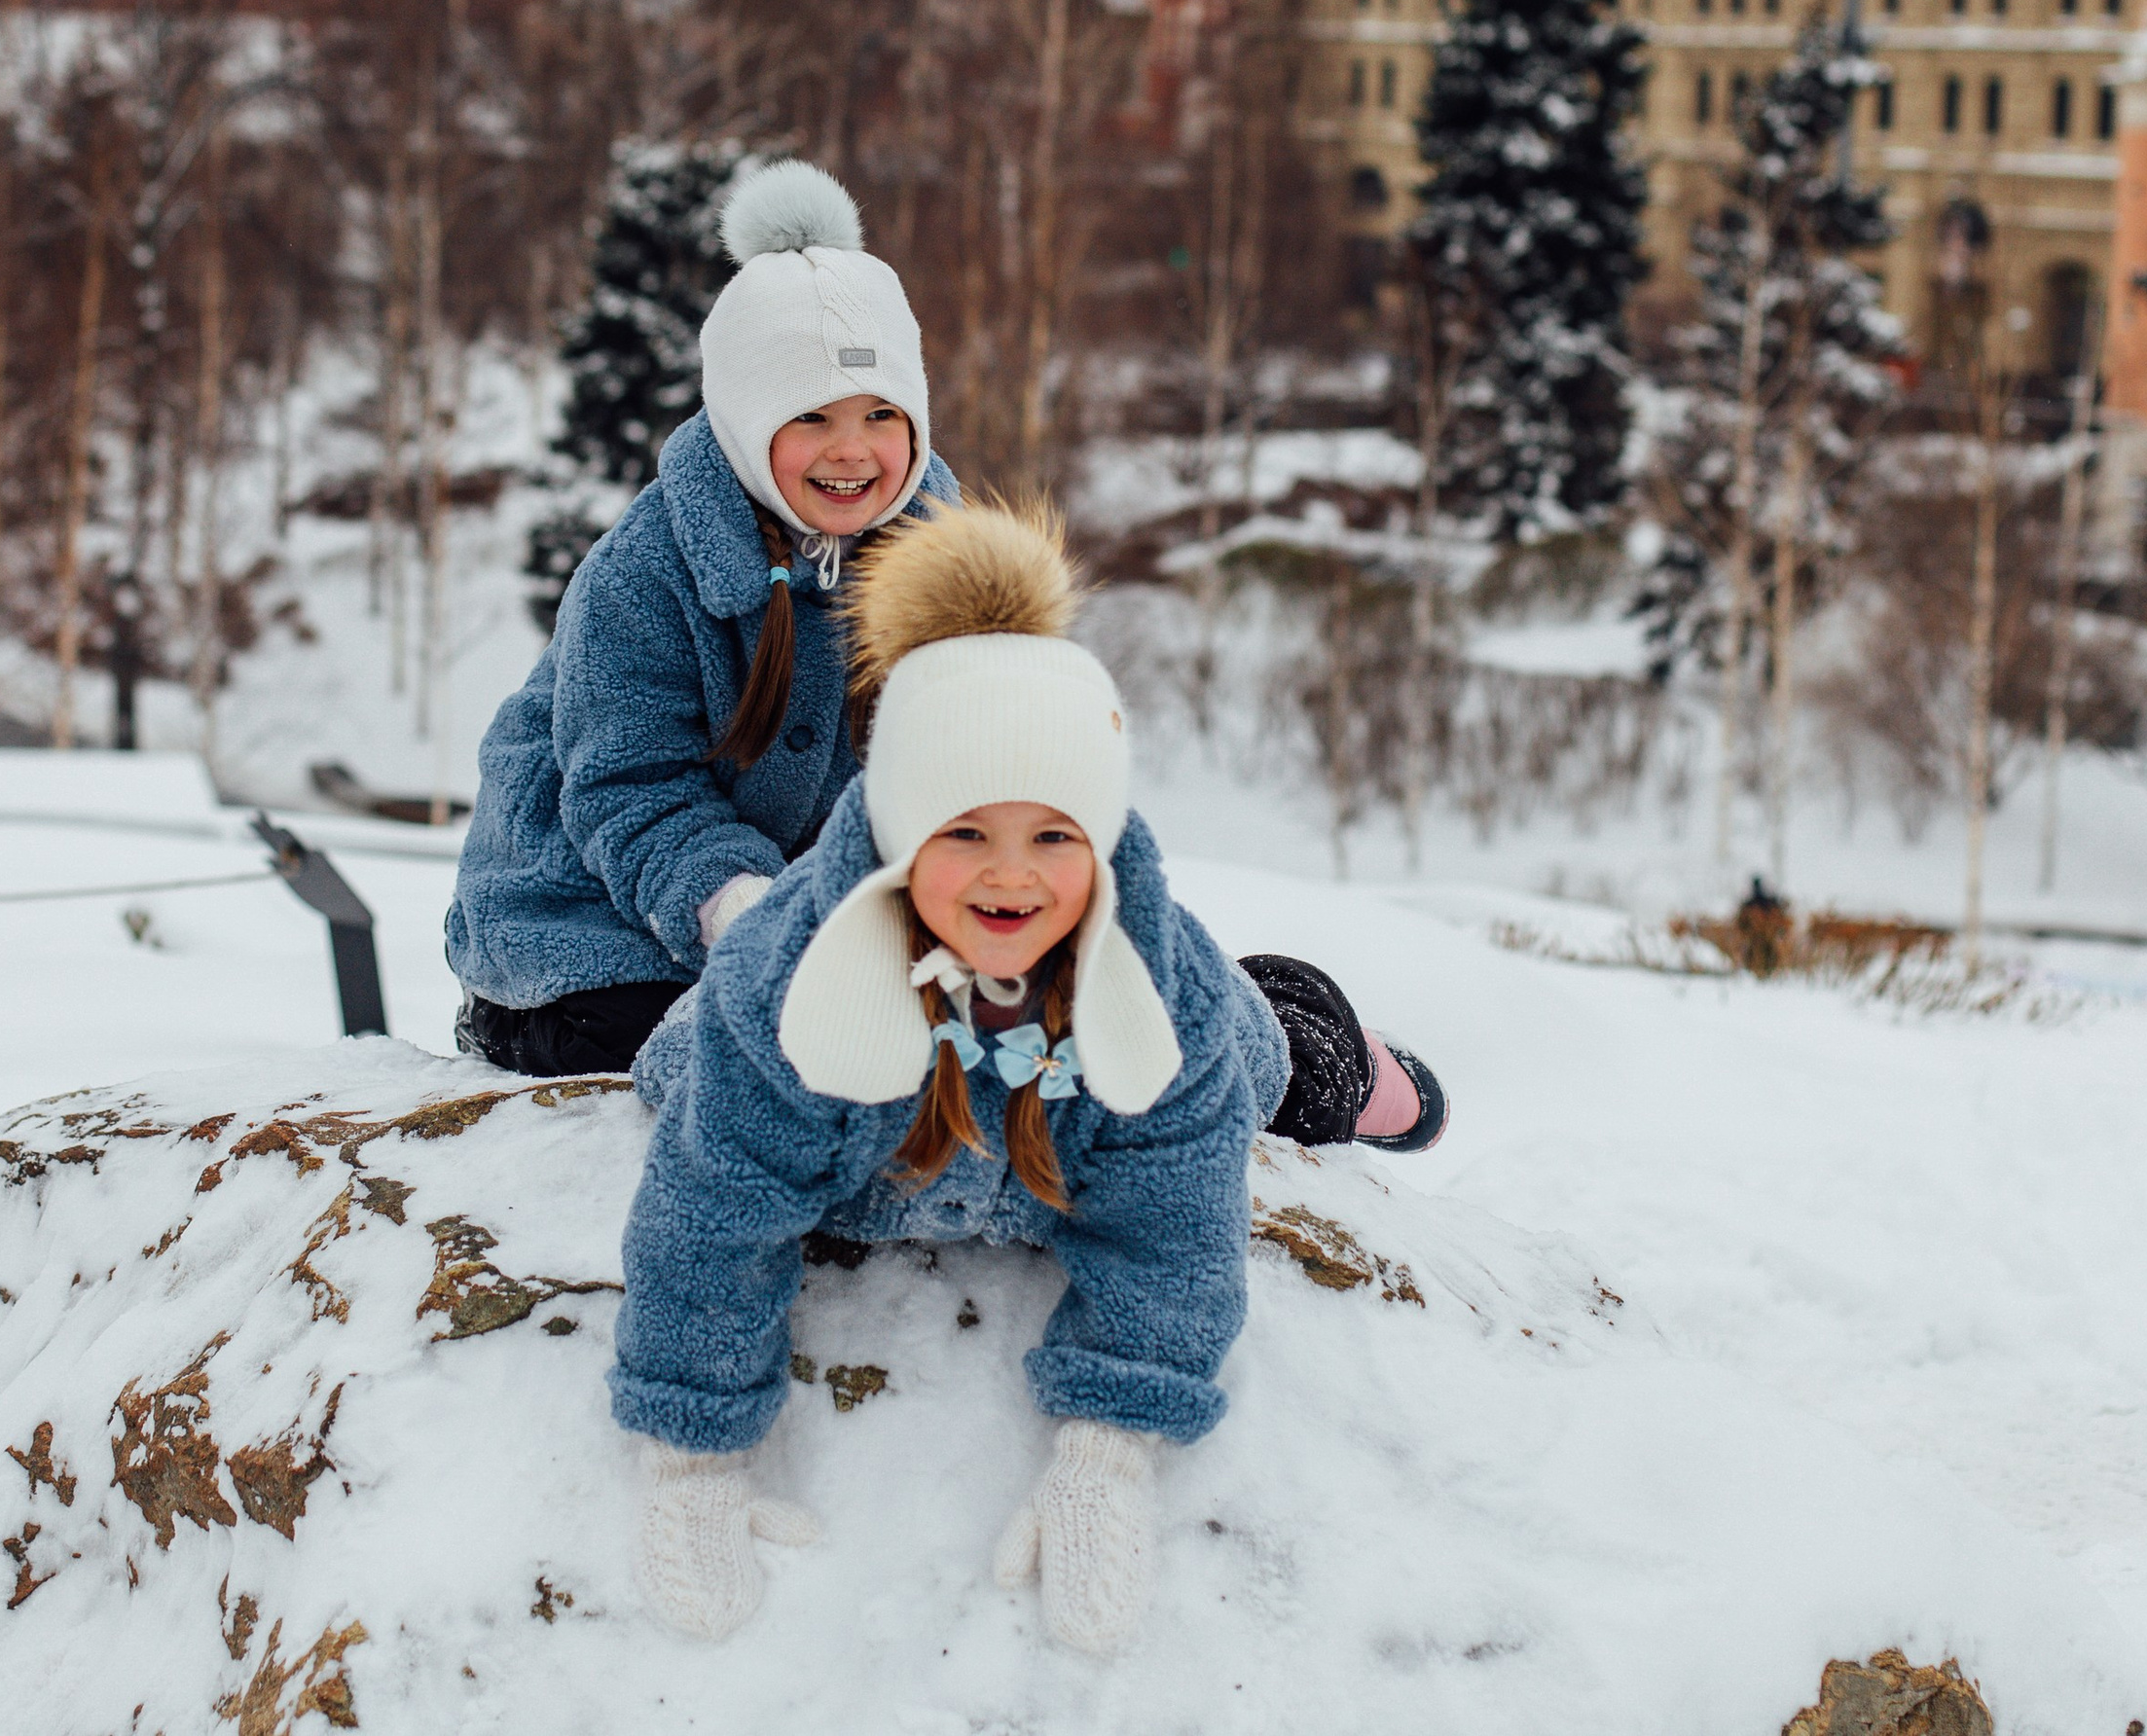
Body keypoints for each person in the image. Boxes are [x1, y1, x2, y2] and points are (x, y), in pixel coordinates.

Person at [609, 501, 1445, 1655]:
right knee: (684, 1061)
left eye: (1054, 835)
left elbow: (1172, 1233)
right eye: (964, 834)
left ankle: (1335, 1040)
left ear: (1099, 839)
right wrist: (693, 1451)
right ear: (900, 833)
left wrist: (1108, 1448)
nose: (1010, 877)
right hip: (796, 1001)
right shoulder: (782, 986)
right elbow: (711, 1213)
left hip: (1220, 1026)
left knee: (1281, 1071)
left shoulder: (1170, 1002)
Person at [445, 160, 952, 1076]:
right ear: (748, 422)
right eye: (812, 418)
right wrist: (744, 910)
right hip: (592, 915)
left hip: (817, 922)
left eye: (883, 413)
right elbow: (630, 784)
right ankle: (514, 1016)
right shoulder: (643, 575)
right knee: (709, 1038)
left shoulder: (947, 562)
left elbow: (984, 760)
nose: (853, 450)